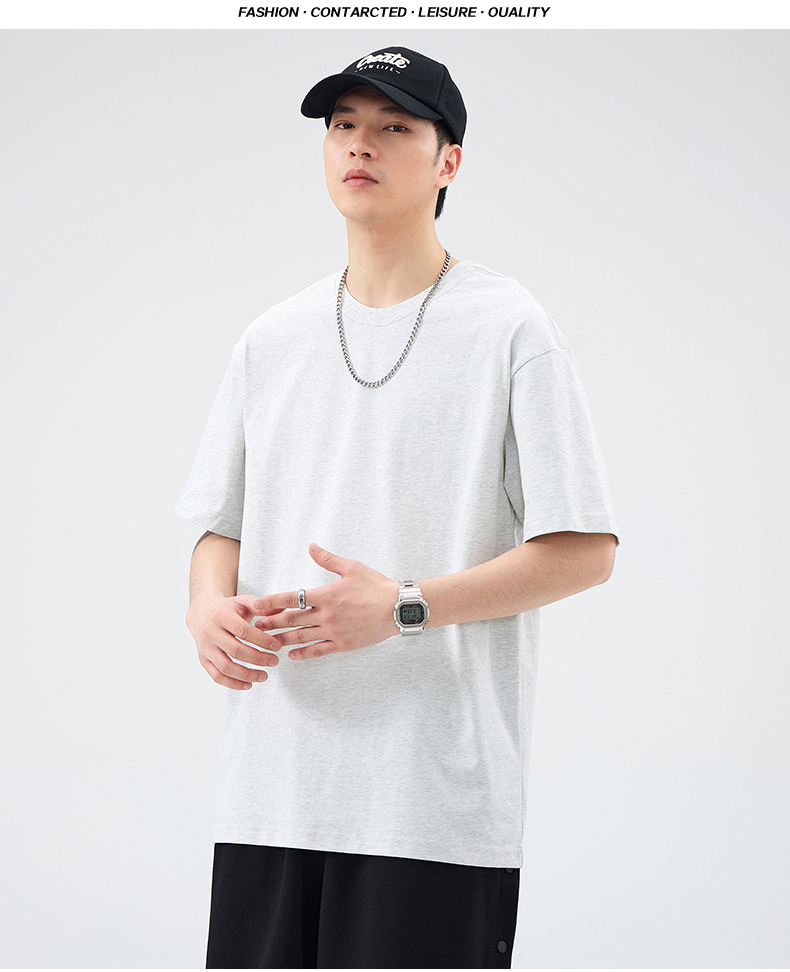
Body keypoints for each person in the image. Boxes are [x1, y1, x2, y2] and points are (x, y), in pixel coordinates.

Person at [175, 45, 620, 970]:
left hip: (430, 805)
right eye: (342, 125)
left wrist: (404, 607)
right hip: (270, 792)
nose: (358, 144)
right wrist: (206, 607)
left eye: (392, 126)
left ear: (448, 161)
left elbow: (585, 548)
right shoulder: (272, 338)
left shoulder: (511, 329)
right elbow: (221, 525)